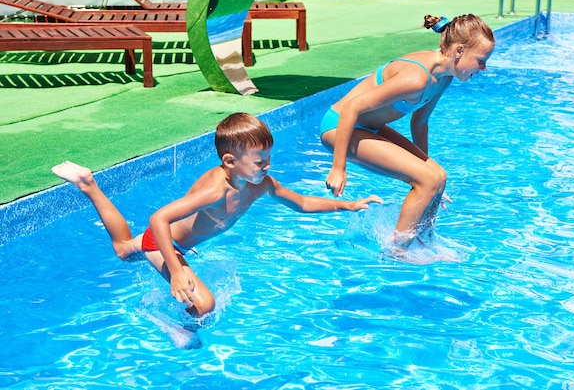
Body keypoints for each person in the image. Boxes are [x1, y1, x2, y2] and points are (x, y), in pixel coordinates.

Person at [52, 112, 381, 318]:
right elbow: (158, 220)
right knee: (205, 306)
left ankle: (88, 184)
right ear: (229, 161)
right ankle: (172, 325)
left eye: (268, 158)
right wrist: (178, 273)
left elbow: (301, 203)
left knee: (124, 249)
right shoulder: (214, 191)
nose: (267, 166)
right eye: (259, 161)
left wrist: (348, 205)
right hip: (163, 241)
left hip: (178, 242)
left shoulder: (259, 183)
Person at [320, 14, 495, 250]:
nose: (484, 68)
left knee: (438, 177)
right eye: (481, 60)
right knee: (429, 180)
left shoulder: (443, 78)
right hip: (339, 126)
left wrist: (427, 176)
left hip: (367, 127)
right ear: (460, 50)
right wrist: (338, 168)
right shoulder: (417, 78)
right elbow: (353, 107)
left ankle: (424, 241)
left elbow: (420, 123)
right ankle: (398, 250)